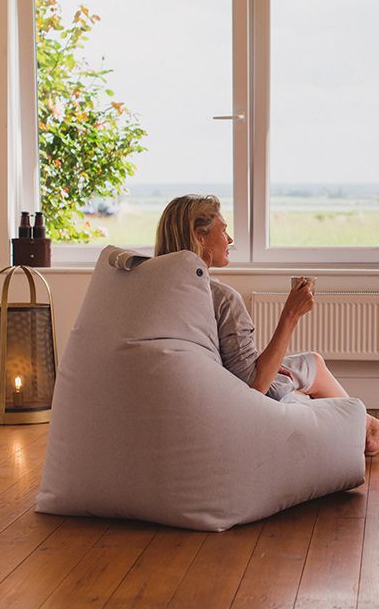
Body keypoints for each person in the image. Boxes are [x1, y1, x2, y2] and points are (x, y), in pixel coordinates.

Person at [155, 193, 379, 456]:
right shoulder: (223, 299)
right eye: (223, 229)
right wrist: (290, 315)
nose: (230, 239)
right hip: (243, 401)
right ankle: (366, 428)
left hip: (210, 389)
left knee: (313, 362)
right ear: (199, 236)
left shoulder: (161, 289)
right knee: (309, 378)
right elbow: (255, 387)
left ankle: (367, 426)